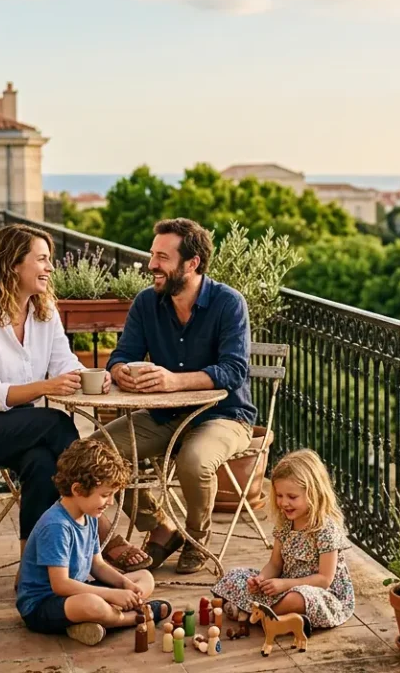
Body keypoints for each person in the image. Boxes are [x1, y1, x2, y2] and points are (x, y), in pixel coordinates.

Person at [0, 224, 109, 558]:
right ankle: (100, 526)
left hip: (18, 427)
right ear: (14, 263)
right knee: (56, 423)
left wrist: (89, 377)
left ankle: (32, 564)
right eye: (42, 259)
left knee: (42, 463)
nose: (50, 268)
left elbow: (64, 363)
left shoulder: (44, 313)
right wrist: (46, 387)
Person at [98, 218, 257, 574]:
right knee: (95, 453)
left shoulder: (229, 303)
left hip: (223, 415)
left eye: (162, 257)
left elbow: (233, 372)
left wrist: (175, 382)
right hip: (163, 415)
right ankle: (161, 528)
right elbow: (120, 355)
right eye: (152, 255)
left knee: (194, 460)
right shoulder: (146, 303)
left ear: (192, 264)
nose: (151, 264)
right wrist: (119, 370)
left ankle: (197, 541)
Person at [15, 438, 171, 646]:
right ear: (78, 490)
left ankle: (91, 623)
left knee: (144, 577)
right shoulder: (56, 526)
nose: (110, 502)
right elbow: (60, 585)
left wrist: (124, 584)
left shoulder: (89, 515)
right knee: (91, 604)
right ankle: (133, 618)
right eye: (105, 495)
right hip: (43, 605)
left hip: (76, 590)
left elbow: (97, 565)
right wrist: (113, 594)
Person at [210, 449, 355, 632]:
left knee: (297, 598)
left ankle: (256, 613)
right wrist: (261, 579)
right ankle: (263, 612)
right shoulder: (286, 524)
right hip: (284, 583)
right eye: (280, 496)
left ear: (314, 494)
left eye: (292, 497)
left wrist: (285, 585)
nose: (284, 503)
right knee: (234, 576)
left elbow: (324, 579)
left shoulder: (326, 529)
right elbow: (275, 564)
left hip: (319, 593)